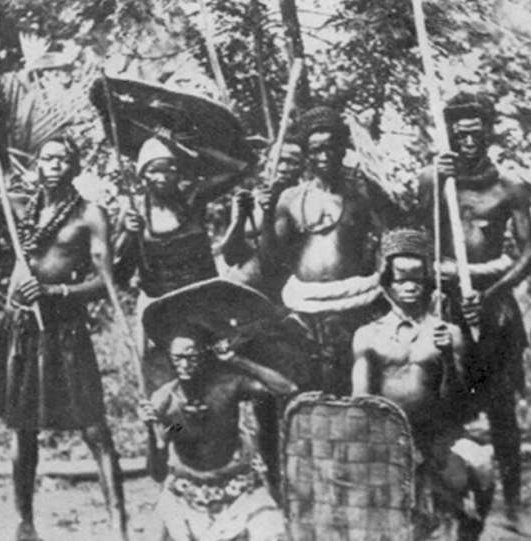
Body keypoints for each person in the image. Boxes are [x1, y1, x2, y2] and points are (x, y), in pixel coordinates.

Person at [0, 119, 129, 541]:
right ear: (37, 164)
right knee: (23, 427)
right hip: (20, 326)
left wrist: (57, 292)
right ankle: (25, 522)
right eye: (47, 158)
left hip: (65, 328)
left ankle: (118, 524)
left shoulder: (91, 215)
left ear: (74, 168)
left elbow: (107, 283)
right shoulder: (18, 204)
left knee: (94, 427)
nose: (53, 165)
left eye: (63, 159)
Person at [418, 91, 531, 530]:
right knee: (446, 401)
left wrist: (493, 293)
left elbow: (530, 251)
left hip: (493, 304)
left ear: (489, 133)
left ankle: (514, 505)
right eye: (460, 133)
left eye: (477, 132)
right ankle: (452, 498)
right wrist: (436, 184)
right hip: (447, 299)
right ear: (450, 134)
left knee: (502, 407)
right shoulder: (434, 181)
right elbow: (420, 239)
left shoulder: (509, 187)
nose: (468, 140)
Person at [352, 228, 495, 540]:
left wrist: (446, 357)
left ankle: (468, 534)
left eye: (417, 278)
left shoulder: (448, 332)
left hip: (441, 434)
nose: (409, 286)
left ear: (429, 280)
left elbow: (457, 400)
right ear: (386, 280)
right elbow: (360, 401)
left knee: (482, 465)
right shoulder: (368, 335)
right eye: (401, 278)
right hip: (388, 436)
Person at [260, 106, 393, 395]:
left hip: (353, 305)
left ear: (343, 150)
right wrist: (266, 213)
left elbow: (389, 237)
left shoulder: (361, 193)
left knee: (351, 386)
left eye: (331, 149)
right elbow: (272, 259)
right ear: (306, 153)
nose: (324, 157)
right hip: (304, 307)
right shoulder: (289, 197)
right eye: (316, 149)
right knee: (307, 388)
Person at [137, 303, 298, 541]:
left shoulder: (228, 387)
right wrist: (153, 434)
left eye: (191, 356)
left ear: (205, 355)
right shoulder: (167, 403)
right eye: (178, 358)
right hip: (187, 495)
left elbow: (286, 388)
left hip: (240, 491)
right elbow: (159, 471)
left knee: (272, 533)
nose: (184, 365)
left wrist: (237, 360)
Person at [113, 136, 248, 391]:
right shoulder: (133, 211)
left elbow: (238, 169)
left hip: (203, 301)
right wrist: (129, 236)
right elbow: (120, 274)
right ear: (142, 175)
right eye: (154, 170)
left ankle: (216, 425)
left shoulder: (193, 198)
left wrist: (183, 146)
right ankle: (170, 426)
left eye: (170, 169)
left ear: (179, 172)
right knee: (161, 374)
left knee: (216, 369)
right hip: (159, 306)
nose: (162, 177)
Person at [220, 136, 304, 301]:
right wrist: (240, 220)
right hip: (239, 286)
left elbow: (272, 263)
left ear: (303, 166)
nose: (283, 168)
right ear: (267, 162)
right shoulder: (248, 198)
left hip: (276, 294)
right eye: (278, 160)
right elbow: (230, 256)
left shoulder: (302, 203)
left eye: (292, 162)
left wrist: (268, 213)